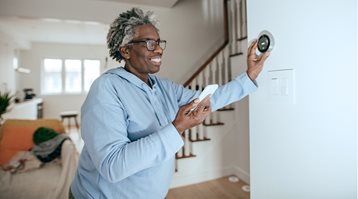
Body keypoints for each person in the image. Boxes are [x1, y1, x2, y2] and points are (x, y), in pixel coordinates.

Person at [70, 7, 269, 199]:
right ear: (125, 51)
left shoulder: (164, 87)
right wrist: (178, 127)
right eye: (149, 44)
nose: (158, 50)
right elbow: (113, 166)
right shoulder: (106, 89)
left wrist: (249, 76)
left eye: (159, 42)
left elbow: (208, 100)